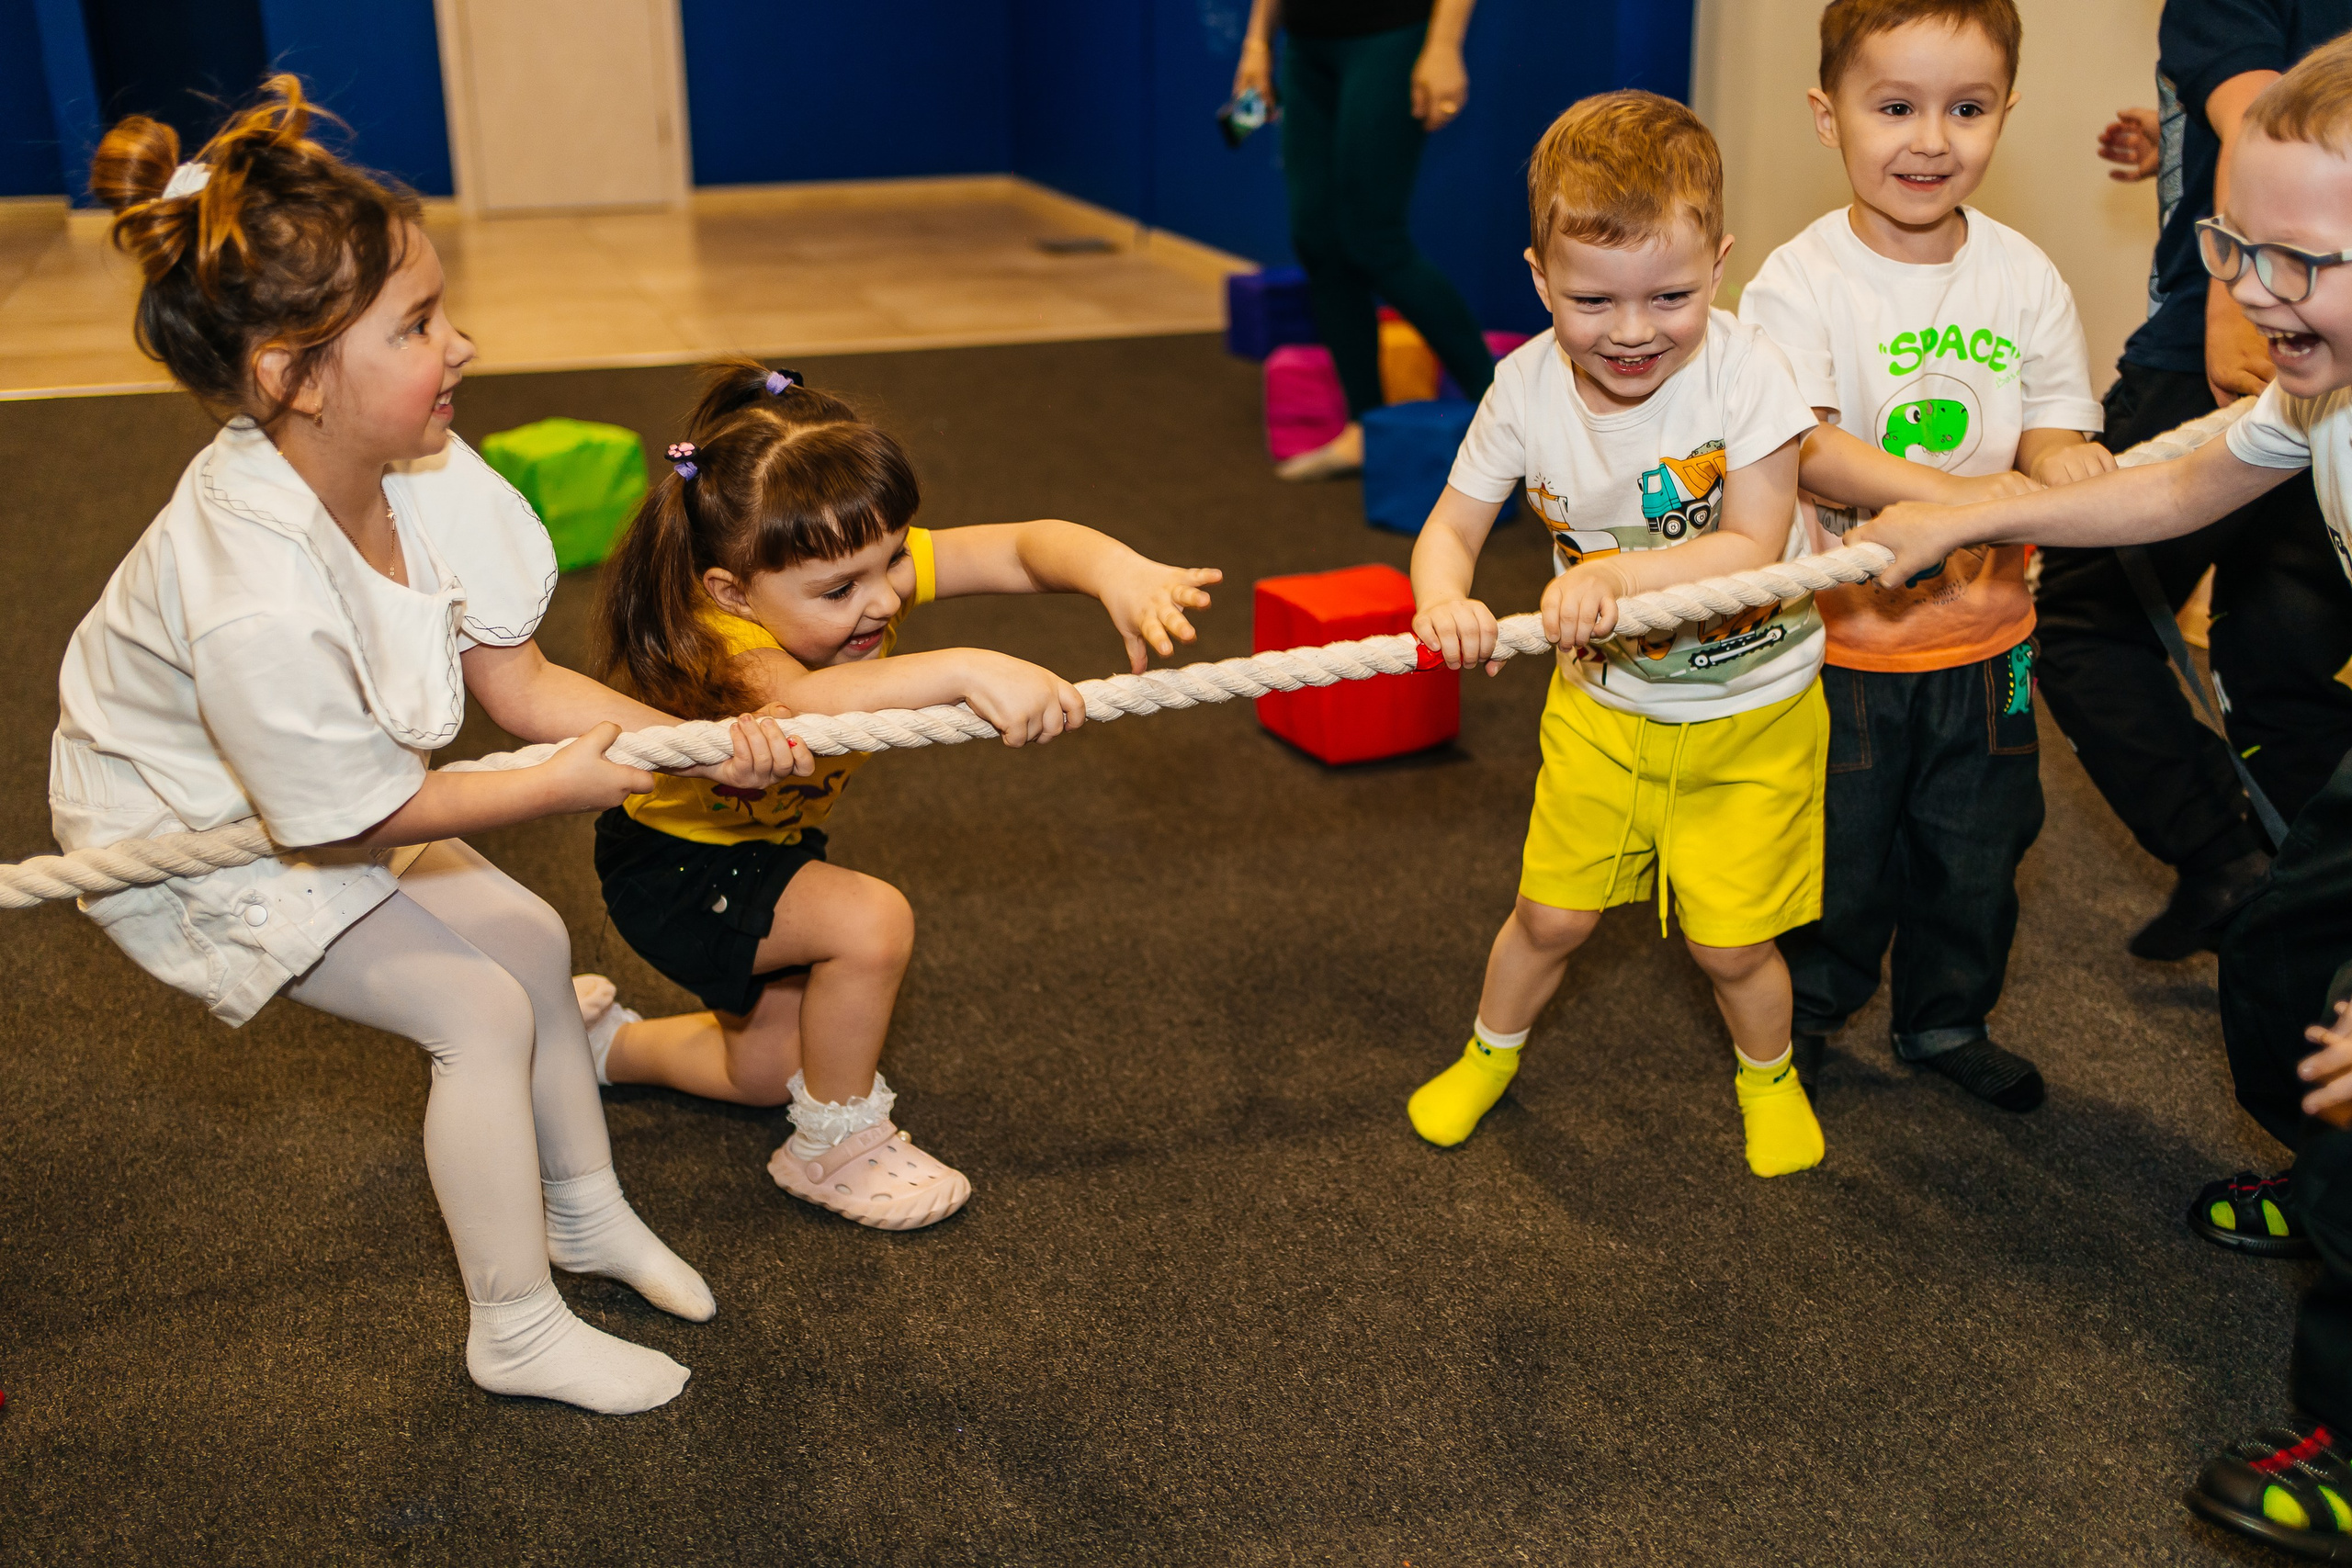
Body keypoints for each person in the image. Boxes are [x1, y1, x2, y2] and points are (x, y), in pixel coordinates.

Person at [53, 80, 810, 1415]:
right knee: (472, 1009)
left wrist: (690, 742)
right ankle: (511, 1322)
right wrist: (572, 782)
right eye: (417, 324)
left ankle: (581, 1213)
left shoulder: (422, 460)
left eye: (443, 306)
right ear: (292, 375)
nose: (461, 345)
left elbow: (517, 686)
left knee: (522, 943)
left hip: (335, 781)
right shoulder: (252, 591)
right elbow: (341, 822)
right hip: (197, 830)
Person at [1858, 39, 2352, 1554]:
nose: (2254, 290)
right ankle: (2321, 1160)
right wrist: (1985, 507)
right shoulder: (2322, 383)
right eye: (2231, 244)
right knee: (2278, 959)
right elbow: (2197, 473)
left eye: (2301, 261)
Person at [578, 360, 1222, 1229]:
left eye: (892, 558)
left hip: (767, 848)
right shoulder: (719, 633)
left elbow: (1019, 545)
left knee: (766, 1071)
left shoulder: (847, 567)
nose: (885, 596)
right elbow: (805, 702)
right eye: (841, 590)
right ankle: (835, 1147)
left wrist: (1117, 569)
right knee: (869, 922)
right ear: (734, 589)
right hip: (679, 868)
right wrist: (964, 666)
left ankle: (602, 1043)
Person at [1403, 92, 1835, 1179]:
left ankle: (1768, 1077)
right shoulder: (1521, 386)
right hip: (1603, 715)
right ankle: (1488, 1056)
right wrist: (1442, 599)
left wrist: (1622, 572)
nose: (1633, 331)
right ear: (1539, 277)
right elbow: (1449, 531)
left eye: (1672, 296)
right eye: (1591, 300)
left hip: (1753, 712)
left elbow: (1754, 540)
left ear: (1720, 266)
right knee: (1546, 919)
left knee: (1730, 943)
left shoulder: (1747, 372)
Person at [1737, 0, 2113, 1111]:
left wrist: (2066, 464)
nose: (1929, 140)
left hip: (1991, 641)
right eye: (1893, 107)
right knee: (1841, 853)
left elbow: (2049, 419)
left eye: (1966, 108)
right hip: (1846, 650)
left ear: (2004, 113)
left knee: (1980, 846)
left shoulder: (2023, 276)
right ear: (1828, 114)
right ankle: (1800, 1016)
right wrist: (1960, 497)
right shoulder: (1796, 281)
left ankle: (1946, 1015)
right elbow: (1805, 448)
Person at [2032, 0, 2352, 975]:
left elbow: (2259, 108)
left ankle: (2241, 866)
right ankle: (2303, 903)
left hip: (2221, 351)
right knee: (2274, 664)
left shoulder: (2257, 294)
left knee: (2081, 616)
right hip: (2277, 356)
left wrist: (2229, 296)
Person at [1231, 0, 1498, 480]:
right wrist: (1257, 42)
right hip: (1306, 44)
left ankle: (1511, 421)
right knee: (1318, 241)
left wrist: (1443, 44)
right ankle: (1364, 430)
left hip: (1390, 34)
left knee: (1373, 240)